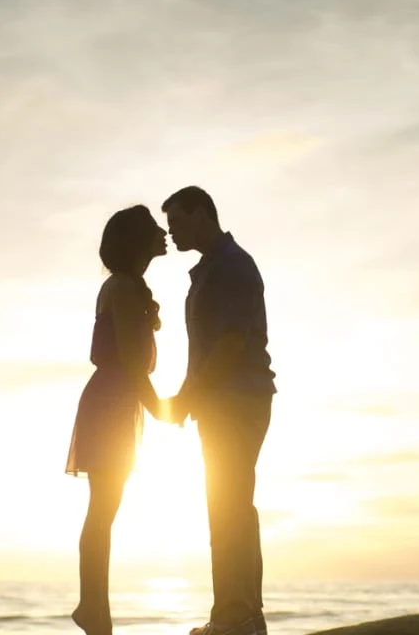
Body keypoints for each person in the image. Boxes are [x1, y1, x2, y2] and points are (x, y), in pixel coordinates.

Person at [161, 186, 276, 635]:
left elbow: (229, 344)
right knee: (231, 506)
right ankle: (242, 616)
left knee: (229, 507)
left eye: (177, 222)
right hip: (222, 401)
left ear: (202, 214)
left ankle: (234, 619)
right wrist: (188, 395)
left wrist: (188, 396)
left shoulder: (231, 264)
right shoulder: (212, 268)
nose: (172, 233)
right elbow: (206, 350)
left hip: (237, 400)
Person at [66, 205, 169, 635]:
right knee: (103, 509)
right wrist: (163, 409)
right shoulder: (123, 288)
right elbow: (129, 359)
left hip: (119, 401)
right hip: (111, 401)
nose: (164, 233)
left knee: (105, 509)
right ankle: (93, 610)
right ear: (137, 241)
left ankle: (95, 610)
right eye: (155, 228)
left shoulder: (129, 287)